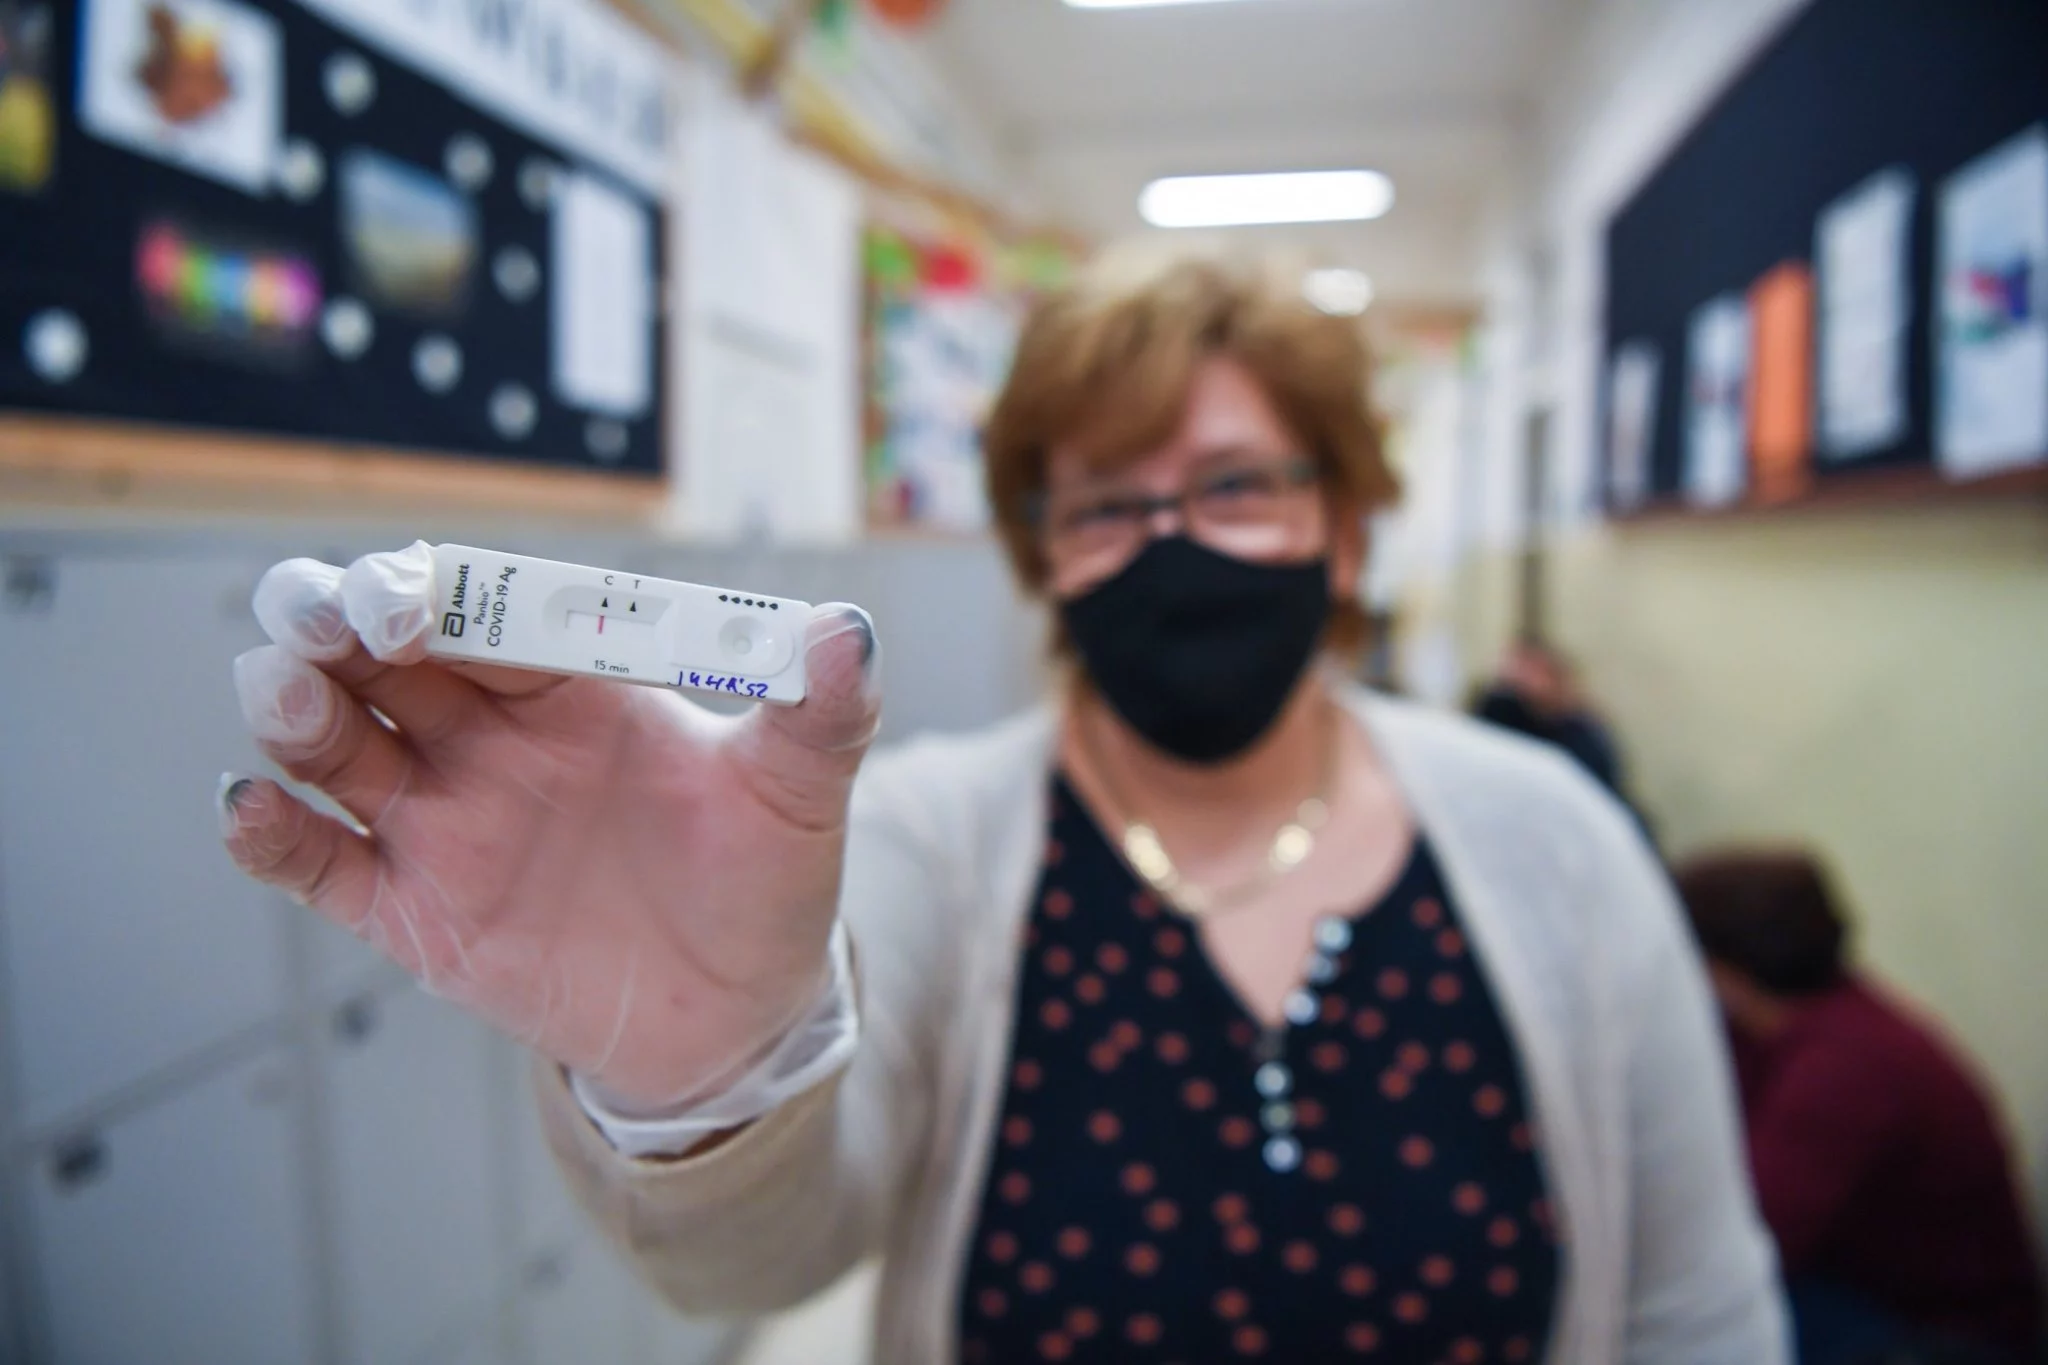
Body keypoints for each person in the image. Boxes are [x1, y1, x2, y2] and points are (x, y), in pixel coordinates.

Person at [219, 247, 1787, 1363]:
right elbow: (763, 1258)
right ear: (1048, 559)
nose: (1174, 540)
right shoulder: (924, 840)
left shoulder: (1556, 844)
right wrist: (706, 1082)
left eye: (1238, 484)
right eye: (1108, 502)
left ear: (1350, 531)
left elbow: (1698, 1318)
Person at [1674, 851, 2043, 1365]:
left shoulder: (1842, 1070)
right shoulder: (1806, 1024)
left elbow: (1749, 1249)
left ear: (1720, 971)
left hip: (1944, 1335)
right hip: (1882, 1298)